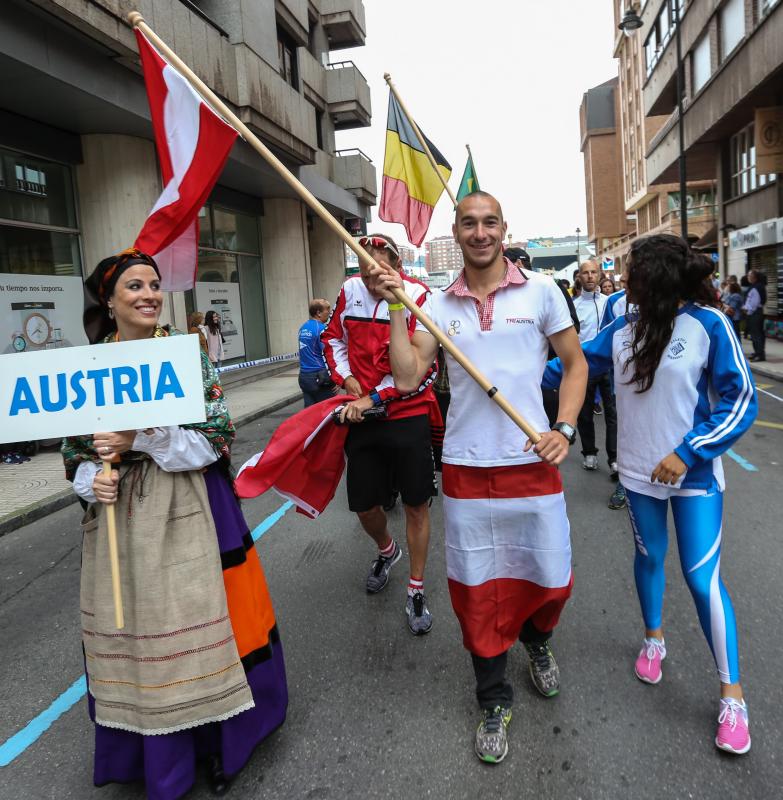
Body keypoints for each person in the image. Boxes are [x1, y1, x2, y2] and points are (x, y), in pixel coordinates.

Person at [371, 192, 587, 764]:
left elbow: (575, 364)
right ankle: (492, 695)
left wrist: (564, 427)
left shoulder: (542, 292)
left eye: (490, 222)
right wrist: (397, 306)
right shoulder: (436, 307)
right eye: (469, 223)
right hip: (467, 468)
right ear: (457, 232)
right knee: (477, 590)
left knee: (551, 576)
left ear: (504, 228)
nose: (480, 232)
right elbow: (408, 375)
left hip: (532, 462)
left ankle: (538, 640)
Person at [64, 249, 288, 799]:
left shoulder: (185, 357)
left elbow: (216, 440)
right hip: (118, 513)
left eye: (154, 285)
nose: (148, 294)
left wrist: (139, 438)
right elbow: (73, 451)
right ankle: (146, 749)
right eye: (134, 286)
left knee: (203, 622)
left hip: (190, 500)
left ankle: (216, 743)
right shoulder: (88, 365)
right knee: (132, 627)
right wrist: (92, 477)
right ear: (108, 299)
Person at [545, 233, 757, 755]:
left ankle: (733, 695)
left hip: (695, 478)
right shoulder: (622, 329)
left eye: (633, 272)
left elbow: (740, 398)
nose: (625, 280)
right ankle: (654, 638)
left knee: (702, 578)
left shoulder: (711, 325)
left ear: (655, 279)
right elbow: (567, 370)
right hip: (639, 475)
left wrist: (689, 451)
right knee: (649, 557)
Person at [321, 233, 438, 635]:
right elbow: (332, 338)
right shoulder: (349, 290)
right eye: (363, 267)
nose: (371, 276)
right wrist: (346, 377)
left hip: (406, 414)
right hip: (361, 415)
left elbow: (419, 375)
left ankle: (416, 587)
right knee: (363, 505)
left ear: (395, 263)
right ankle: (388, 550)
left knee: (416, 505)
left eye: (378, 267)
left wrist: (372, 397)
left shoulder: (421, 296)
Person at [572, 260, 618, 478]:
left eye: (593, 272)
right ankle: (589, 452)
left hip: (609, 367)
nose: (590, 276)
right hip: (585, 366)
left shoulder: (610, 302)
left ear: (599, 275)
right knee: (584, 413)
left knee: (613, 413)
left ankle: (614, 457)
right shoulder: (573, 306)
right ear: (579, 277)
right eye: (585, 273)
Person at [298, 298, 335, 407]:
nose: (329, 312)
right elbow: (329, 354)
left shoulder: (303, 328)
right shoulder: (323, 329)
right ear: (318, 313)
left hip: (304, 377)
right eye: (327, 309)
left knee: (310, 413)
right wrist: (336, 378)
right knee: (328, 412)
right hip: (320, 377)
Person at [742, 269, 766, 361]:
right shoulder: (755, 286)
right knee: (755, 334)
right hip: (755, 313)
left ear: (754, 277)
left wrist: (747, 310)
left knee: (756, 335)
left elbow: (754, 303)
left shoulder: (756, 287)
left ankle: (760, 354)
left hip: (755, 313)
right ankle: (757, 352)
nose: (748, 277)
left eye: (749, 275)